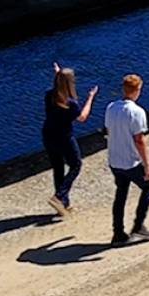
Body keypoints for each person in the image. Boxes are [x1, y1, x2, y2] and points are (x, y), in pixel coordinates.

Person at [105, 72, 149, 246]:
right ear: (137, 90)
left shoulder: (111, 107)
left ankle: (118, 232)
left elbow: (109, 131)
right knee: (148, 186)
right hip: (130, 162)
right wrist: (147, 165)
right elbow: (139, 140)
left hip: (114, 160)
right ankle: (138, 226)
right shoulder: (137, 112)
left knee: (121, 194)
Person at [43, 62, 97, 217]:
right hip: (64, 138)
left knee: (58, 167)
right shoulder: (70, 103)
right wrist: (90, 98)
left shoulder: (49, 95)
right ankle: (59, 197)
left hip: (48, 135)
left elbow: (58, 86)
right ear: (70, 83)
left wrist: (58, 74)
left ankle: (63, 205)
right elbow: (82, 117)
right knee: (76, 165)